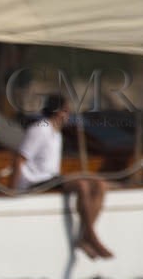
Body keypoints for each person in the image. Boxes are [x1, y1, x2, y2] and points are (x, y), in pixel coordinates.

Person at [14, 95, 113, 259]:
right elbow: (20, 158)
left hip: (51, 178)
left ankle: (85, 235)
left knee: (100, 184)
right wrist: (14, 189)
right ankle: (90, 235)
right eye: (67, 111)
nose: (68, 115)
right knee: (82, 185)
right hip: (37, 181)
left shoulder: (56, 132)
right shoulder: (40, 129)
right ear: (60, 112)